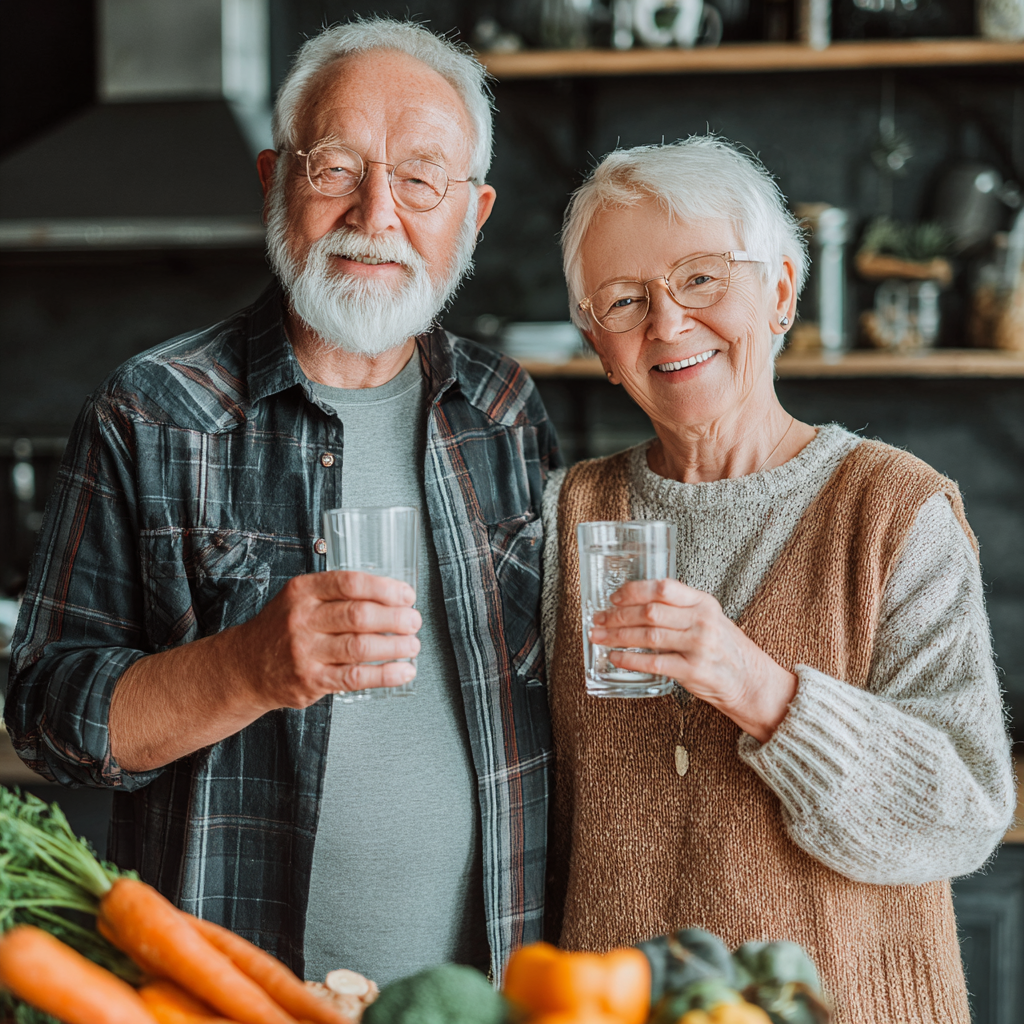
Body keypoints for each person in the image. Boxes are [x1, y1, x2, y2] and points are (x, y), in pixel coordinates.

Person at [6, 19, 560, 985]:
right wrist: (247, 667)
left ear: (473, 214)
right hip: (238, 995)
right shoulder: (153, 410)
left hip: (490, 994)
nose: (376, 213)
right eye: (336, 167)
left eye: (422, 178)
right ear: (274, 180)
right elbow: (48, 719)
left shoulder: (506, 410)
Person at [541, 137, 1014, 1023]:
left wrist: (761, 690)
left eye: (702, 279)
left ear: (783, 294)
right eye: (624, 300)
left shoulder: (893, 510)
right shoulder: (565, 515)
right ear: (599, 346)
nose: (668, 324)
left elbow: (963, 814)